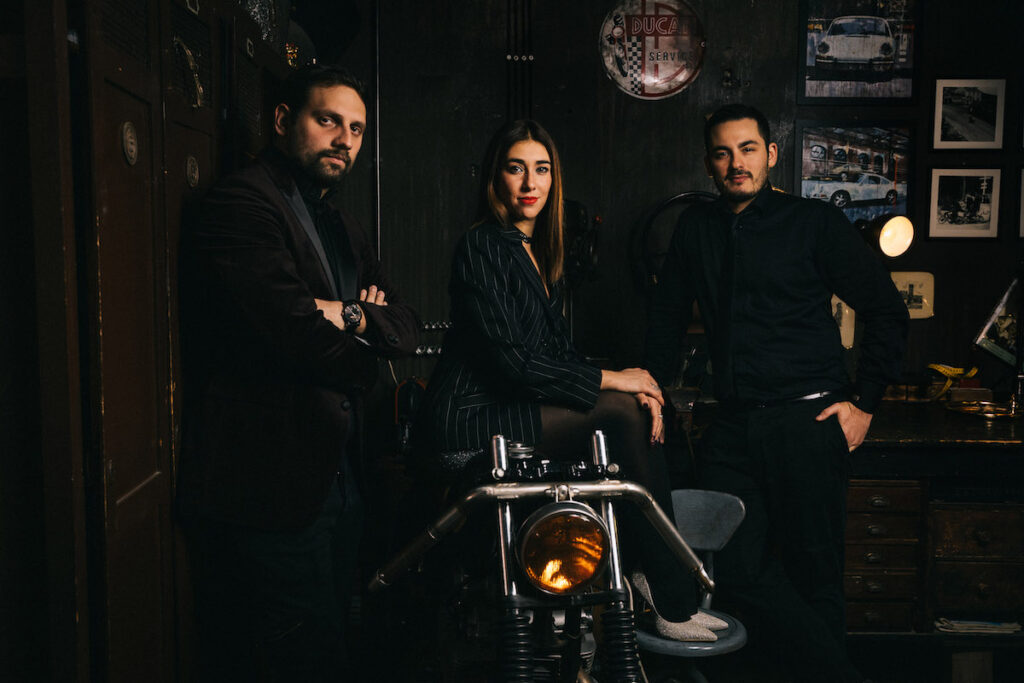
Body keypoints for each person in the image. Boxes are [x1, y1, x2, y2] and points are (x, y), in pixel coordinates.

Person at [421, 119, 721, 641]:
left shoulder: (540, 256)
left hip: (511, 412)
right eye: (516, 169)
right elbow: (514, 365)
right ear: (496, 178)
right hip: (470, 421)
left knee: (637, 403)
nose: (530, 183)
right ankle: (668, 594)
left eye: (542, 170)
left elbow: (559, 356)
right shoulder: (484, 247)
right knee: (620, 408)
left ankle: (652, 582)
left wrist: (637, 382)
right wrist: (621, 382)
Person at [645, 104, 908, 682]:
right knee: (730, 568)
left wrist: (865, 402)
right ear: (709, 163)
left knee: (815, 574)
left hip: (811, 422)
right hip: (734, 427)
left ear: (770, 154)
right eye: (722, 152)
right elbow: (664, 322)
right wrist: (651, 389)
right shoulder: (695, 228)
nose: (736, 163)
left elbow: (888, 312)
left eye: (747, 149)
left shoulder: (812, 223)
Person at [176, 64, 419, 681]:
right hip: (272, 488)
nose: (345, 139)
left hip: (342, 482)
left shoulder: (342, 222)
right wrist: (364, 343)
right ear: (284, 121)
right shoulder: (242, 204)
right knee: (298, 658)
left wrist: (349, 315)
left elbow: (407, 327)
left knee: (337, 636)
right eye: (328, 119)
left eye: (357, 129)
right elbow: (293, 336)